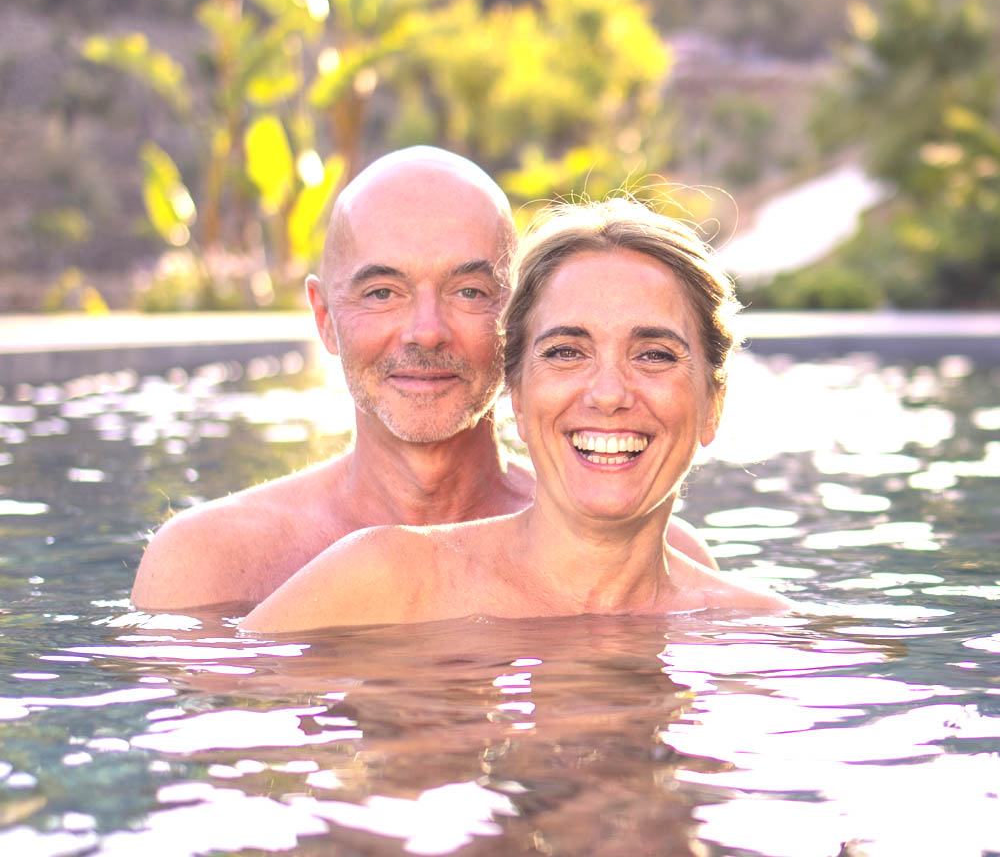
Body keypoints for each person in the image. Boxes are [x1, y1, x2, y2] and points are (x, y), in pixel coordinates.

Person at [131, 150, 719, 610]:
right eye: (382, 293)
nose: (427, 331)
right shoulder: (206, 563)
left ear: (518, 319)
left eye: (468, 292)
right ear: (325, 318)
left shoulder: (656, 560)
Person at [242, 198, 789, 633]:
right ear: (519, 399)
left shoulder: (750, 632)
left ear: (713, 405)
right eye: (566, 352)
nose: (607, 393)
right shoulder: (381, 580)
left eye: (654, 355)